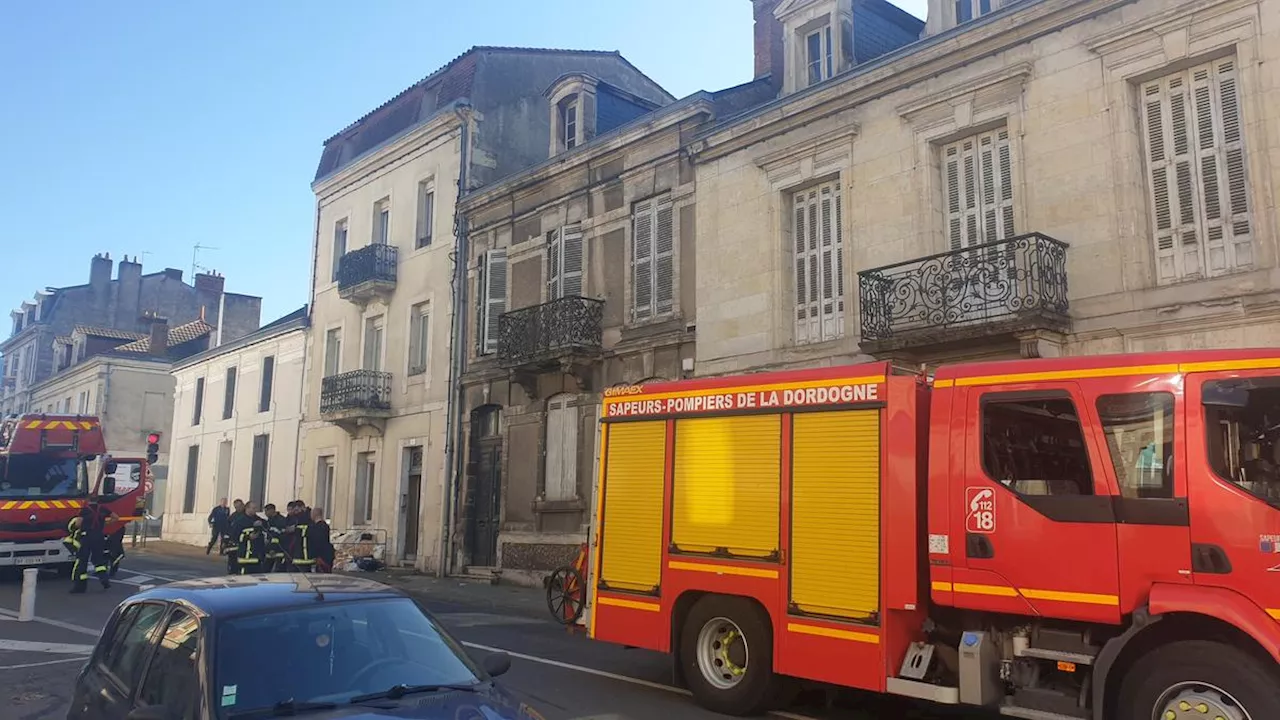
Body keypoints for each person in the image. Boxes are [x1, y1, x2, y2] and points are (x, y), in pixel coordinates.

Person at [69, 496, 118, 593]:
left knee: (82, 561)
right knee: (98, 561)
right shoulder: (103, 509)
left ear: (88, 501)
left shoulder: (84, 510)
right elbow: (116, 517)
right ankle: (105, 581)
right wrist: (105, 523)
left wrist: (74, 527)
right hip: (99, 536)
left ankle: (80, 586)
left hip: (87, 537)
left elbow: (78, 523)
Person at [262, 503, 288, 572]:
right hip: (270, 550)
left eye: (266, 511)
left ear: (272, 510)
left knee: (277, 571)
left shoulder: (280, 521)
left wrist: (273, 548)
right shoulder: (269, 521)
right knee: (265, 570)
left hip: (278, 550)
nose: (265, 513)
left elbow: (277, 536)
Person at [309, 507, 335, 573]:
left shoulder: (318, 527)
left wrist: (317, 556)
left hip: (322, 556)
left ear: (314, 514)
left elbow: (318, 542)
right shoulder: (324, 526)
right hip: (326, 554)